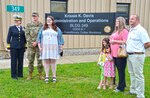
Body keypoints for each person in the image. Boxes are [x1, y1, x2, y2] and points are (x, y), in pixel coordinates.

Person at [126, 14, 150, 98]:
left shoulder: (141, 30)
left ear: (137, 20)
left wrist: (139, 50)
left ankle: (140, 95)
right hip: (130, 55)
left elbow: (147, 43)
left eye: (132, 19)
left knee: (138, 75)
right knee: (132, 73)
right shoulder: (131, 30)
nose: (130, 20)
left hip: (137, 55)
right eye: (130, 19)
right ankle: (133, 90)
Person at [37, 16, 64, 83]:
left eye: (50, 20)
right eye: (47, 20)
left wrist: (61, 46)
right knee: (46, 62)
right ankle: (47, 76)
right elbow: (39, 38)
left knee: (53, 62)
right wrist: (40, 47)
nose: (48, 21)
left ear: (52, 21)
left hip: (54, 48)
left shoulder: (57, 29)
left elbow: (60, 38)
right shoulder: (43, 29)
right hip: (45, 48)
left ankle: (54, 76)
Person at [110, 17, 128, 92]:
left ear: (121, 22)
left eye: (118, 22)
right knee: (117, 70)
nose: (116, 23)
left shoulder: (124, 31)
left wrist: (114, 41)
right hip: (114, 54)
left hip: (120, 54)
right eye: (116, 21)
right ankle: (122, 84)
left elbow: (125, 41)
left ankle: (120, 88)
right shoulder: (116, 31)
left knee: (121, 71)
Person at [6, 14, 27, 80]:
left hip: (21, 47)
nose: (17, 22)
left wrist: (25, 46)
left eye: (18, 21)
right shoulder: (11, 28)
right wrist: (8, 47)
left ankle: (20, 74)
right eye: (16, 21)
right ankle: (13, 75)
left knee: (20, 61)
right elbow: (8, 38)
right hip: (14, 47)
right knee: (14, 61)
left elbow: (24, 38)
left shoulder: (23, 28)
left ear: (20, 21)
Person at [25, 12, 44, 80]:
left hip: (39, 45)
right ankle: (30, 74)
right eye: (33, 16)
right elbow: (27, 34)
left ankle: (40, 74)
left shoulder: (41, 25)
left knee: (40, 60)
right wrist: (31, 42)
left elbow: (42, 35)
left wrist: (37, 42)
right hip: (31, 46)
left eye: (35, 16)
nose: (34, 17)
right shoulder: (29, 25)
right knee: (30, 60)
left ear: (38, 17)